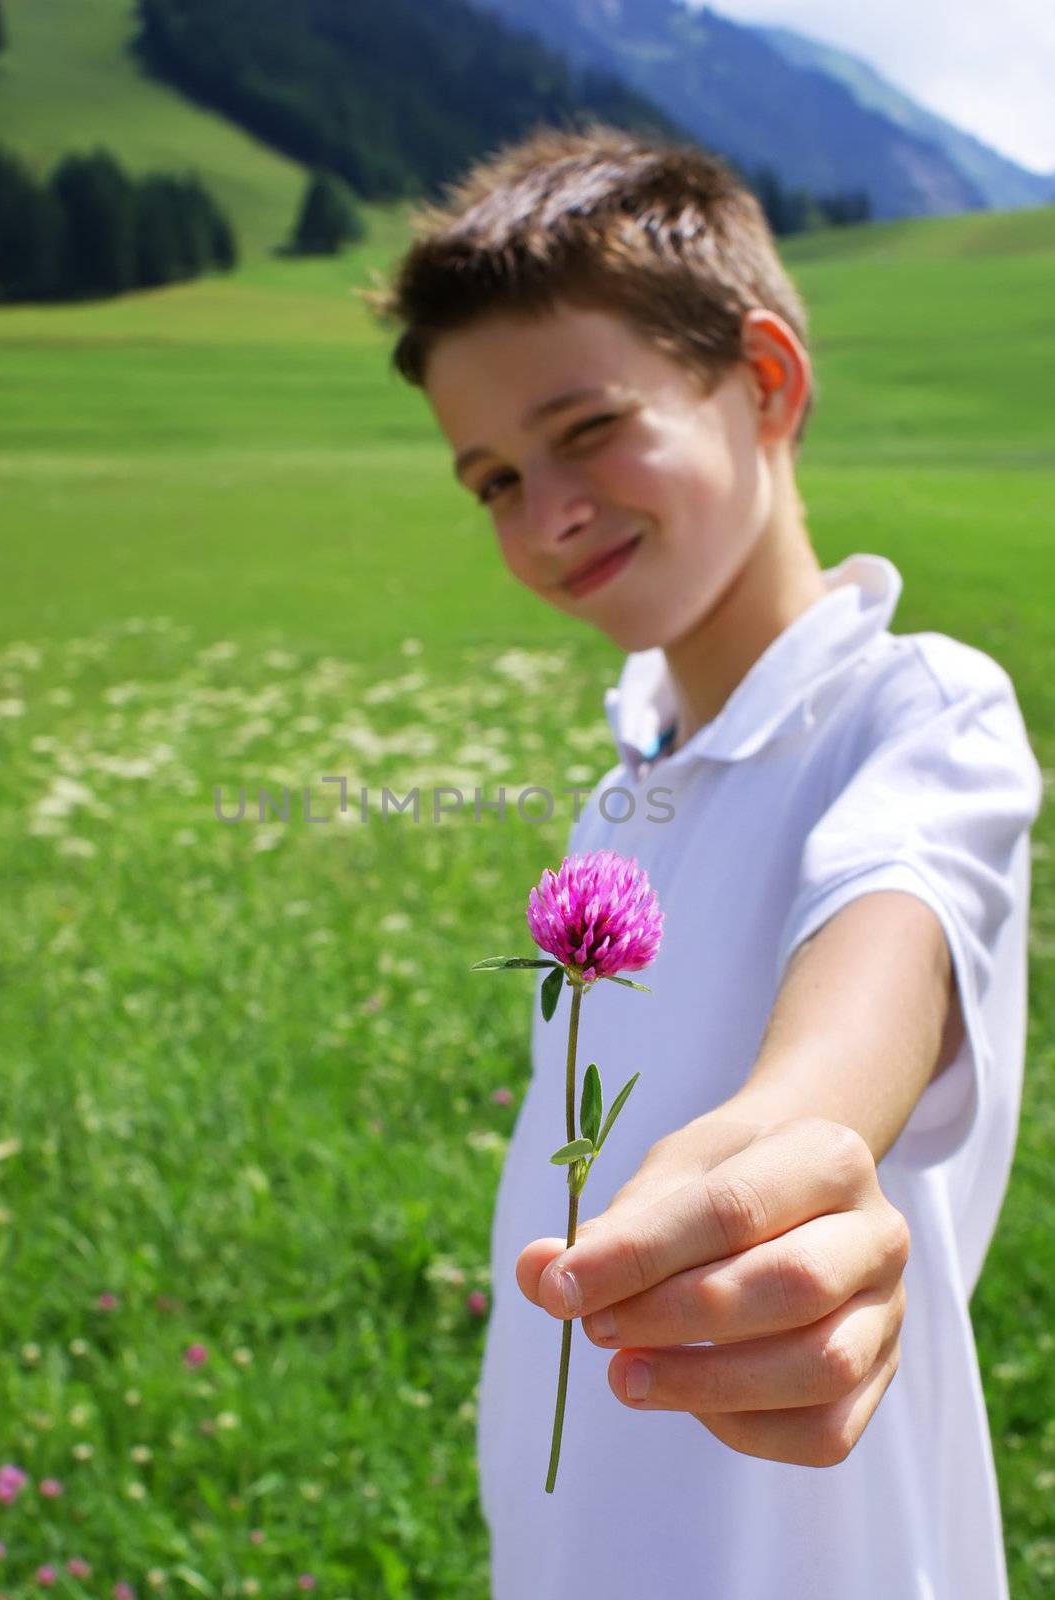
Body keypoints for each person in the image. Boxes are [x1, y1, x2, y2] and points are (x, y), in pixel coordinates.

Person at [358, 124, 1045, 1598]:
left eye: (589, 427)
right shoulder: (626, 782)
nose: (547, 511)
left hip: (800, 1545)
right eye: (491, 479)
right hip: (583, 1528)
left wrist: (796, 1164)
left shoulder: (914, 714)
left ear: (767, 383)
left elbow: (881, 952)